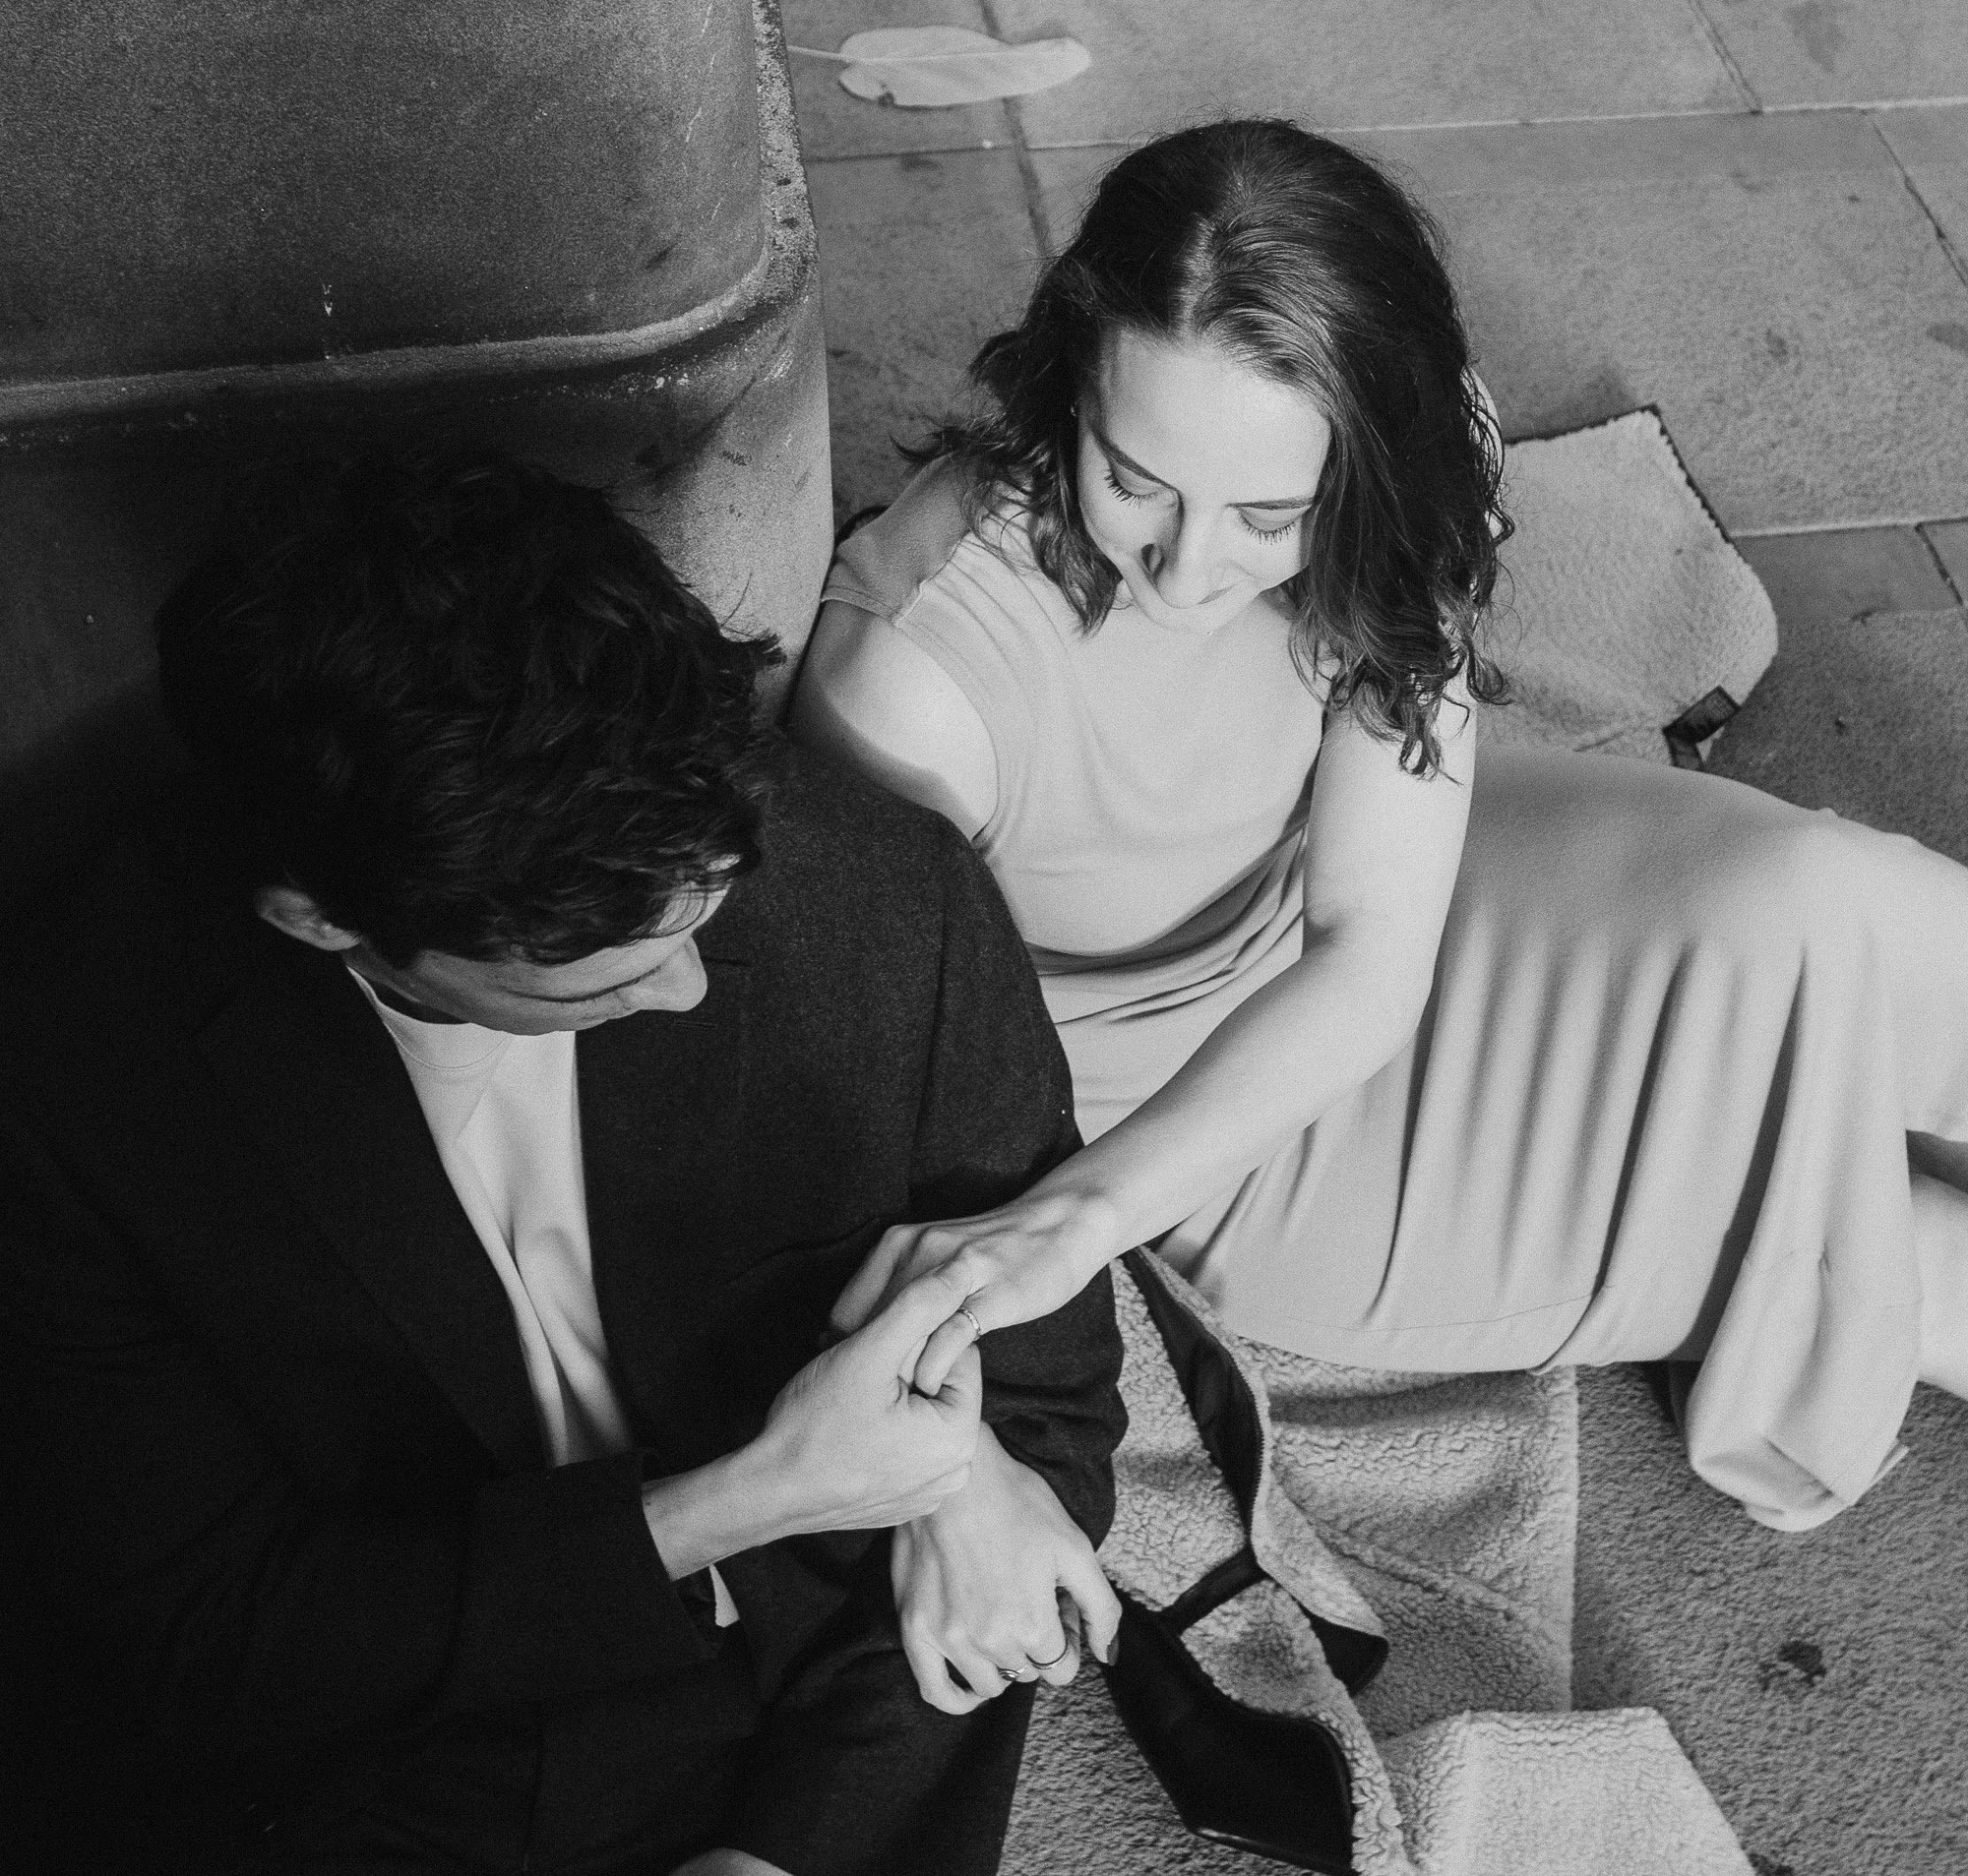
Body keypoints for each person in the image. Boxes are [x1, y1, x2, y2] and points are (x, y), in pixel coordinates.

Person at [793, 116, 1968, 1539]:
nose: (1188, 567)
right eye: (1133, 479)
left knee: (1830, 899)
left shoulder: (1400, 465)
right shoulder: (916, 694)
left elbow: (1371, 939)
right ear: (1068, 380)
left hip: (1399, 896)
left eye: (1270, 512)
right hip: (1209, 1136)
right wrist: (1083, 1224)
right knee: (1866, 1240)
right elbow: (840, 1112)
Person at [0, 450, 1125, 1876]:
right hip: (376, 1749)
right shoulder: (78, 1083)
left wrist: (786, 1854)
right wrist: (754, 1491)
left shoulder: (882, 898)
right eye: (590, 982)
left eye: (695, 919)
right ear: (322, 922)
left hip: (810, 1696)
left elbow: (1041, 1414)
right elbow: (222, 1641)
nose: (686, 994)